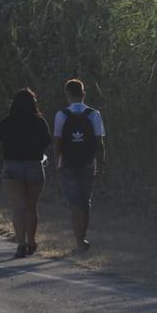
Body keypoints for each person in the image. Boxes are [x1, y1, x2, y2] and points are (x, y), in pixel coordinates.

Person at [0, 88, 50, 258]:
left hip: (12, 167)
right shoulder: (40, 122)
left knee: (18, 208)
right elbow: (46, 143)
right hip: (34, 166)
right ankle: (31, 241)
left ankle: (20, 244)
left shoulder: (7, 121)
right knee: (31, 207)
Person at [52, 78, 106, 252]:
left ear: (67, 94)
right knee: (85, 201)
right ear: (84, 94)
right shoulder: (94, 114)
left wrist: (57, 163)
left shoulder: (61, 115)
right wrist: (101, 163)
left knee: (74, 202)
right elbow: (100, 142)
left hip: (68, 164)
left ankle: (78, 241)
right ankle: (83, 237)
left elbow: (58, 143)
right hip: (89, 163)